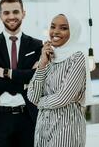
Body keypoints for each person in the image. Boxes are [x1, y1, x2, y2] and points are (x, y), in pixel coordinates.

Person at [0, 0, 42, 147]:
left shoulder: (36, 45)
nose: (11, 16)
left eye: (15, 12)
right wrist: (23, 83)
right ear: (0, 16)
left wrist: (6, 73)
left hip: (28, 116)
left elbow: (36, 78)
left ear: (23, 13)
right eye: (6, 13)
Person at [27, 14, 87, 147]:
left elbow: (63, 98)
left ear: (73, 32)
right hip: (42, 129)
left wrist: (40, 102)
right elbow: (32, 95)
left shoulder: (77, 57)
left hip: (66, 128)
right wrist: (42, 63)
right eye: (53, 27)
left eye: (63, 28)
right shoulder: (49, 56)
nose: (56, 31)